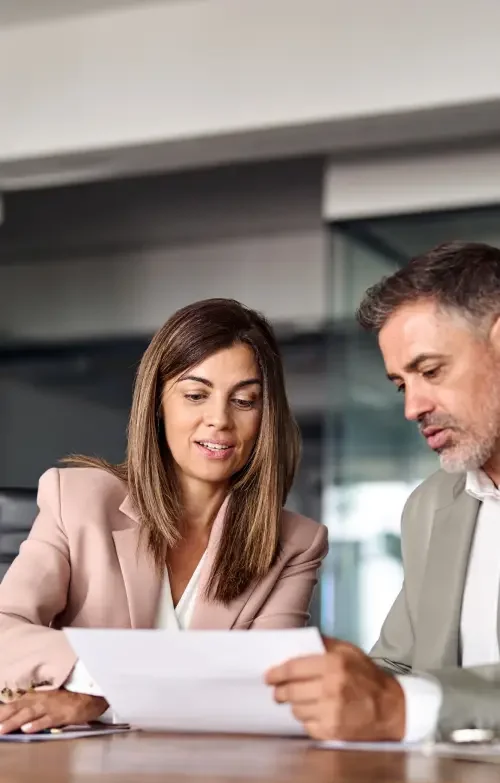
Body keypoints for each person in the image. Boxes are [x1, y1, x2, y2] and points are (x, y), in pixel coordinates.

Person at [0, 298, 328, 735]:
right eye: (195, 395)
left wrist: (100, 699)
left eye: (245, 401)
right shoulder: (75, 499)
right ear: (158, 404)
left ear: (265, 416)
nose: (219, 421)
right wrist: (98, 680)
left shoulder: (296, 544)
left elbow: (268, 691)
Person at [266, 241, 500, 742]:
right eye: (401, 384)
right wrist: (335, 682)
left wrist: (402, 705)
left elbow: (407, 699)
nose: (412, 407)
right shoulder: (431, 505)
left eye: (431, 371)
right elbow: (396, 663)